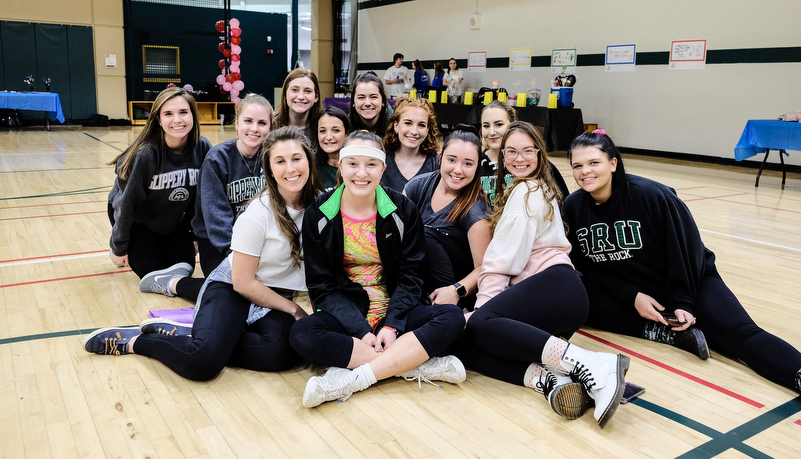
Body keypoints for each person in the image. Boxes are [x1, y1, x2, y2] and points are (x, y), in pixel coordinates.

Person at [564, 129, 801, 393]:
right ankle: (666, 332)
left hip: (689, 280)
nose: (585, 171)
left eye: (594, 162)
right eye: (577, 165)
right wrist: (632, 295)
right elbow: (585, 267)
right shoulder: (573, 208)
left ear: (613, 163)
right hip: (636, 291)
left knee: (740, 336)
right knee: (577, 302)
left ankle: (797, 374)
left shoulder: (653, 195)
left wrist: (682, 301)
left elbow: (688, 253)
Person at [84, 127, 324, 381]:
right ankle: (138, 342)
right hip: (236, 287)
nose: (290, 168)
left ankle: (196, 335)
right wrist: (294, 310)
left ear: (309, 160)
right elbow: (244, 282)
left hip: (275, 294)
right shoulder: (258, 214)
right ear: (269, 169)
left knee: (282, 352)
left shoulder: (323, 205)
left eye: (297, 158)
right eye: (280, 161)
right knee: (202, 362)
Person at [465, 121, 629, 428]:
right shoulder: (538, 187)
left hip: (554, 287)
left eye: (528, 151)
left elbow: (501, 263)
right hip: (560, 297)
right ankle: (548, 378)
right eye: (511, 152)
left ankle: (593, 362)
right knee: (470, 347)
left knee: (476, 327)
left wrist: (481, 312)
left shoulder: (526, 190)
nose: (519, 158)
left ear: (541, 155)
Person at [289, 131, 466, 408]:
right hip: (350, 314)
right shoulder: (318, 213)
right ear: (340, 166)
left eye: (371, 164)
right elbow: (322, 287)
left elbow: (412, 276)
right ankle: (411, 365)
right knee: (301, 334)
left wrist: (393, 325)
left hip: (396, 312)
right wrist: (362, 331)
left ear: (383, 168)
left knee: (452, 317)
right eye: (353, 164)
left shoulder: (402, 209)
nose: (361, 173)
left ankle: (354, 379)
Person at [137, 94, 273, 300]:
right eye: (248, 121)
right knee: (235, 290)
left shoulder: (273, 157)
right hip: (218, 242)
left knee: (268, 287)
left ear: (270, 127)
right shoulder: (218, 158)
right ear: (236, 123)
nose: (254, 128)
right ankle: (174, 283)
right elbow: (216, 218)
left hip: (256, 240)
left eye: (262, 123)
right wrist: (236, 256)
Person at [107, 87, 211, 301]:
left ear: (193, 115)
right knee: (151, 273)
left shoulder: (202, 148)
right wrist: (119, 247)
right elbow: (126, 204)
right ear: (158, 119)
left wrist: (194, 235)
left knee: (184, 268)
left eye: (183, 112)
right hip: (137, 220)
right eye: (168, 114)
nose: (177, 120)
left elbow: (201, 199)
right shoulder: (146, 154)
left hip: (172, 219)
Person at [403, 126, 491, 312]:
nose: (458, 170)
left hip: (452, 290)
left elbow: (484, 268)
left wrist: (456, 291)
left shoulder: (476, 210)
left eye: (468, 164)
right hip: (414, 278)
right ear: (440, 158)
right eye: (452, 160)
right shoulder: (416, 187)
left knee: (424, 232)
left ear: (477, 167)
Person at [480, 100, 569, 205]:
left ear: (513, 125)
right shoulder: (475, 164)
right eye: (486, 126)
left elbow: (563, 203)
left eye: (499, 124)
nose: (492, 132)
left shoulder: (534, 162)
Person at [381, 97, 440, 192]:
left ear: (427, 129)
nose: (414, 131)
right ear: (396, 126)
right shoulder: (382, 159)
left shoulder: (436, 163)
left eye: (421, 125)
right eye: (408, 123)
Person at [273, 68, 321, 143]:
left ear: (316, 97)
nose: (301, 97)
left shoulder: (322, 128)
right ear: (285, 94)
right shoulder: (269, 125)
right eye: (295, 90)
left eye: (308, 91)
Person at [316, 107, 350, 192]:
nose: (328, 137)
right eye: (322, 131)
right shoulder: (311, 168)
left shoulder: (356, 168)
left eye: (336, 130)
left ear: (347, 134)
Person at [348, 71, 390, 135]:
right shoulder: (345, 131)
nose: (367, 103)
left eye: (373, 97)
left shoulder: (395, 131)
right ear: (353, 102)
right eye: (361, 97)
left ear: (383, 101)